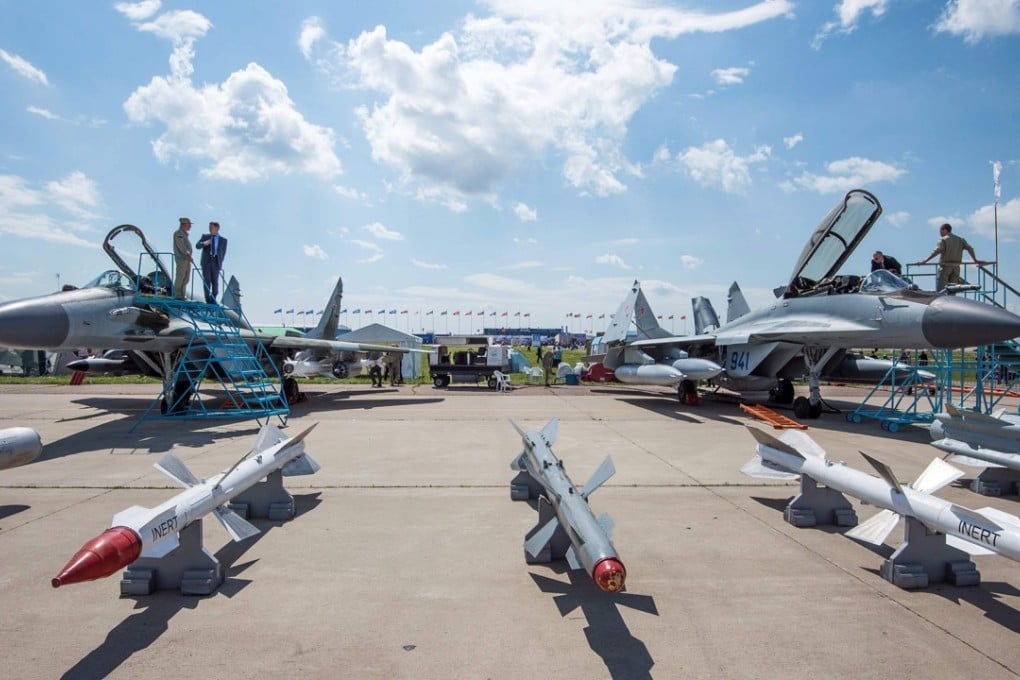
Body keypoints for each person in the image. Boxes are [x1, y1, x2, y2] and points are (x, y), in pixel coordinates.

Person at [918, 223, 977, 292]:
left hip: (945, 267)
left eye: (940, 230)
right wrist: (975, 260)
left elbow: (937, 251)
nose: (940, 233)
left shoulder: (944, 239)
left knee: (941, 290)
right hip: (956, 268)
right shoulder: (960, 239)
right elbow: (970, 249)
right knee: (953, 290)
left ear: (945, 230)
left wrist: (925, 261)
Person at [196, 221, 228, 304]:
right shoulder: (205, 236)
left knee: (215, 283)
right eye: (209, 227)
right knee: (207, 282)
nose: (209, 229)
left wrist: (219, 263)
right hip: (206, 262)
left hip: (216, 262)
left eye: (211, 227)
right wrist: (204, 243)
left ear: (217, 228)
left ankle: (213, 299)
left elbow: (223, 253)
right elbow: (197, 246)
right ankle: (208, 299)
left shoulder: (223, 240)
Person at [172, 217, 194, 299]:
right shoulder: (179, 233)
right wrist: (187, 253)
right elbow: (180, 245)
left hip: (186, 260)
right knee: (180, 277)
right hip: (182, 259)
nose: (190, 227)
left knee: (186, 278)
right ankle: (177, 294)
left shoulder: (184, 235)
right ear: (184, 224)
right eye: (189, 225)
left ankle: (182, 294)